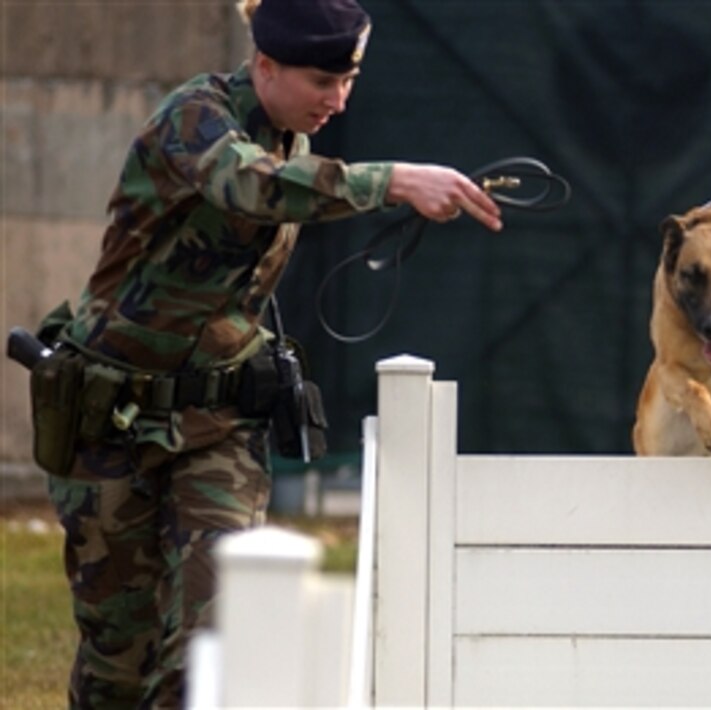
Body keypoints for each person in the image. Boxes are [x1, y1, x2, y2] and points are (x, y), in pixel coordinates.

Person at [42, 0, 502, 706]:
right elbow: (249, 186)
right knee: (117, 667)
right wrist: (396, 180)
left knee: (212, 646)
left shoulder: (295, 148)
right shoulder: (194, 119)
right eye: (322, 81)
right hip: (114, 423)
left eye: (348, 81)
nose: (338, 99)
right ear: (264, 66)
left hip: (218, 428)